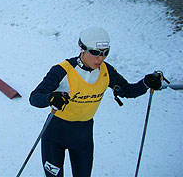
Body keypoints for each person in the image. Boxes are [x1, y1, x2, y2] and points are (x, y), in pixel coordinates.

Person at [30, 26, 163, 177]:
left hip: (83, 136)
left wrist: (146, 83)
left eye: (105, 53)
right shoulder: (62, 70)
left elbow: (127, 91)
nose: (100, 58)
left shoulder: (107, 72)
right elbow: (35, 97)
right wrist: (51, 98)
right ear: (82, 49)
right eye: (95, 52)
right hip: (55, 134)